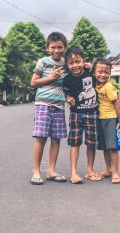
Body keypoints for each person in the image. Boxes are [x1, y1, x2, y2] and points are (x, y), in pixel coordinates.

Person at [30, 32, 68, 185]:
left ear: (65, 47)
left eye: (60, 47)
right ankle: (36, 171)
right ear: (47, 48)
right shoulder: (43, 62)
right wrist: (52, 77)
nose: (56, 50)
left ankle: (51, 171)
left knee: (56, 139)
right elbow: (34, 82)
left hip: (59, 105)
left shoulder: (66, 64)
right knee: (41, 138)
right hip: (43, 104)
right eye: (53, 47)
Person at [63, 46, 102, 184]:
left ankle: (90, 170)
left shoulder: (90, 73)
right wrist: (68, 98)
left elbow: (103, 75)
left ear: (83, 61)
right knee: (75, 143)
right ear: (67, 65)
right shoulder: (67, 80)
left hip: (92, 113)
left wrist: (92, 67)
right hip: (76, 114)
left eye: (78, 61)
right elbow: (66, 93)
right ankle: (73, 172)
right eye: (71, 63)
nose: (75, 65)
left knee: (91, 143)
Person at [93, 58, 120, 184]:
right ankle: (108, 170)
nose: (103, 74)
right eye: (100, 71)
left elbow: (117, 104)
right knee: (105, 147)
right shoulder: (97, 85)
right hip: (100, 119)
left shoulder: (109, 87)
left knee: (112, 147)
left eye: (106, 72)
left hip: (110, 119)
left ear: (110, 73)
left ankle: (115, 173)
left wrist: (119, 119)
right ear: (94, 72)